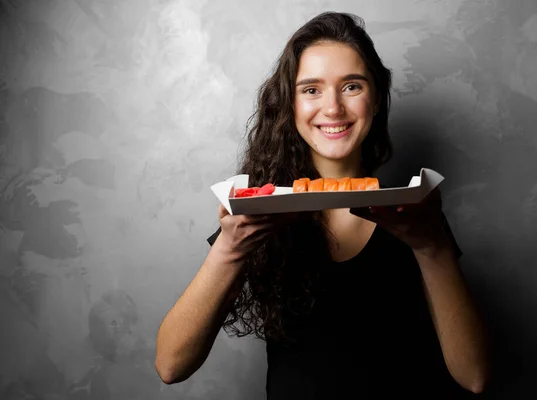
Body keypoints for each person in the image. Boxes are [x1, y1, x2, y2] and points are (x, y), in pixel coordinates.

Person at [155, 11, 491, 399]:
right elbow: (170, 365)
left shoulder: (415, 214)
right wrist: (230, 250)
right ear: (290, 104)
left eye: (351, 86)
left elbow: (475, 376)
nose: (332, 109)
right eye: (311, 89)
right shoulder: (258, 215)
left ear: (377, 98)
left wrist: (433, 247)